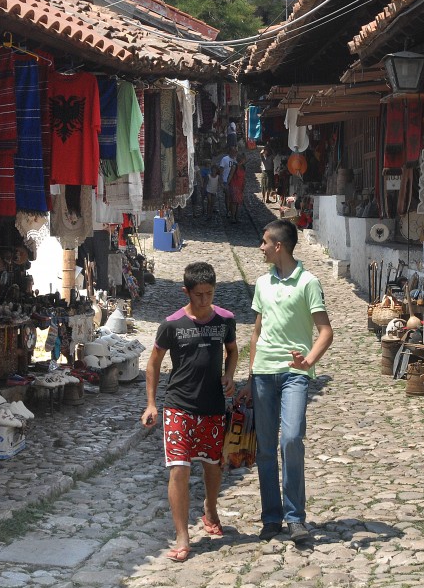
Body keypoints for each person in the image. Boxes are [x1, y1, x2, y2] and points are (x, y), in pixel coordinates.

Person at [243, 219, 333, 545]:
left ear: (278, 245)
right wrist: (251, 373)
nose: (261, 247)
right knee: (265, 448)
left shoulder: (309, 282)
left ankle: (296, 517)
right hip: (264, 373)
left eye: (264, 242)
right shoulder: (262, 284)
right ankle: (272, 517)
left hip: (296, 373)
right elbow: (256, 332)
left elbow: (326, 332)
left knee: (291, 438)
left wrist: (309, 361)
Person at [141, 261, 238, 563]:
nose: (204, 300)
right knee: (179, 469)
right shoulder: (171, 325)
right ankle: (183, 537)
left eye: (209, 294)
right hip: (178, 406)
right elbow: (154, 363)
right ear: (186, 292)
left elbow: (232, 350)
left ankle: (210, 507)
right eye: (198, 294)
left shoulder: (225, 320)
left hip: (212, 406)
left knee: (213, 465)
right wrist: (152, 403)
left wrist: (230, 374)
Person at [228, 152, 247, 224]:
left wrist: (244, 185)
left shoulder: (243, 167)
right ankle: (233, 217)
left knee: (238, 202)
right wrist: (226, 185)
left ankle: (236, 217)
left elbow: (244, 177)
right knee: (234, 202)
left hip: (240, 186)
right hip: (234, 186)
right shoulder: (234, 166)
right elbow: (230, 176)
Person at [219, 148, 236, 213]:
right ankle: (228, 210)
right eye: (233, 151)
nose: (234, 153)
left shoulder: (236, 160)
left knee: (233, 197)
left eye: (235, 152)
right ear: (230, 152)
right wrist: (221, 180)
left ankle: (232, 210)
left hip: (234, 181)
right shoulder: (225, 159)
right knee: (227, 196)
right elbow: (221, 169)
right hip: (226, 180)